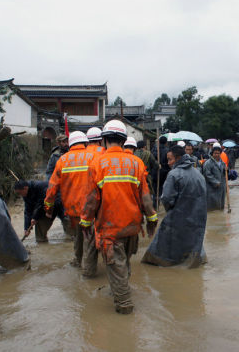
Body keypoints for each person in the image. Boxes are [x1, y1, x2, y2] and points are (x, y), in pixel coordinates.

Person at [80, 120, 158, 314]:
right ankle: (121, 288)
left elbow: (91, 201)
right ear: (123, 141)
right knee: (124, 262)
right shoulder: (137, 163)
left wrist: (85, 222)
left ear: (105, 139)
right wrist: (152, 220)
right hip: (132, 226)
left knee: (116, 265)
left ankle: (124, 305)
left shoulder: (97, 164)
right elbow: (146, 198)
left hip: (110, 228)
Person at [142, 145, 207, 268]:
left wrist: (172, 211)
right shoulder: (198, 173)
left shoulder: (173, 175)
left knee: (167, 244)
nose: (168, 163)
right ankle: (193, 262)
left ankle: (164, 263)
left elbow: (166, 199)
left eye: (170, 159)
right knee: (192, 242)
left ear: (177, 158)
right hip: (197, 217)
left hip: (177, 216)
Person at [45, 131, 99, 276]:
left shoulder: (62, 160)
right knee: (89, 238)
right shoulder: (95, 157)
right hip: (91, 208)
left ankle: (77, 260)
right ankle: (88, 271)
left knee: (78, 235)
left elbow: (52, 187)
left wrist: (48, 207)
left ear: (70, 144)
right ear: (85, 143)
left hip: (72, 209)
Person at [203, 145, 226, 211]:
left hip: (221, 187)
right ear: (212, 153)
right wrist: (215, 182)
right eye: (215, 153)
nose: (217, 155)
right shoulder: (208, 163)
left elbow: (224, 174)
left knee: (220, 206)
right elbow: (207, 174)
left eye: (218, 153)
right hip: (211, 188)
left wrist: (227, 170)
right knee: (212, 207)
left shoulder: (222, 163)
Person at [151, 136, 170, 203]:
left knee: (155, 190)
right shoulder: (167, 151)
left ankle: (155, 203)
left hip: (155, 172)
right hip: (164, 173)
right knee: (162, 189)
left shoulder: (154, 149)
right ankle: (160, 204)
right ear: (166, 142)